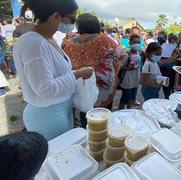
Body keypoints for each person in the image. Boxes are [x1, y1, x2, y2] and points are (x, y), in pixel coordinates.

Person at [13, 0, 94, 140]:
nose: (72, 24)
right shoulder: (34, 44)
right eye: (72, 19)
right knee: (57, 156)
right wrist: (78, 74)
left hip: (59, 111)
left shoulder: (47, 39)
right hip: (48, 116)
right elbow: (45, 89)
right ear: (56, 16)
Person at [63, 13, 118, 127]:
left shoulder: (69, 44)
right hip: (104, 86)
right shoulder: (105, 40)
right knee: (104, 116)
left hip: (83, 86)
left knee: (86, 113)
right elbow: (120, 55)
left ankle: (87, 135)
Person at [119, 34, 141, 109]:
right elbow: (119, 66)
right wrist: (128, 68)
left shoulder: (138, 52)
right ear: (130, 43)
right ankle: (120, 112)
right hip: (127, 80)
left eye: (139, 42)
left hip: (135, 79)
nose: (137, 44)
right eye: (135, 42)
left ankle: (129, 111)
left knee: (131, 99)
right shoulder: (126, 54)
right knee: (124, 99)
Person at [159, 34, 180, 99]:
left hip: (163, 67)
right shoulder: (174, 46)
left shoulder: (163, 45)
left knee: (166, 87)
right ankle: (170, 99)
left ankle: (167, 98)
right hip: (170, 69)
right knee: (171, 87)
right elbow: (178, 55)